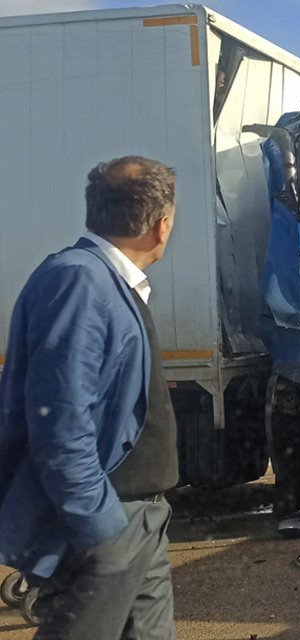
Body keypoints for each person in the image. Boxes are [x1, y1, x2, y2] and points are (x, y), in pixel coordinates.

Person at [0, 156, 180, 638]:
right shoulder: (80, 280)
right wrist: (101, 529)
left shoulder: (108, 281)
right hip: (110, 518)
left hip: (143, 517)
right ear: (161, 225)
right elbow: (58, 422)